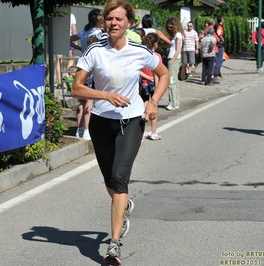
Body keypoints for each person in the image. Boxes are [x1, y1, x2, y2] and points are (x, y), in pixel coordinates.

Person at [71, 0, 169, 264]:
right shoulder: (94, 51)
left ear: (129, 23)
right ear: (104, 22)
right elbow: (76, 88)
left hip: (131, 120)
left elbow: (163, 75)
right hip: (101, 122)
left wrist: (153, 101)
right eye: (109, 19)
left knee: (119, 178)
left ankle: (113, 245)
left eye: (119, 19)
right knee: (110, 183)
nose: (114, 23)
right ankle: (123, 207)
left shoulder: (139, 51)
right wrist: (105, 95)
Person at [70, 9, 104, 140]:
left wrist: (80, 48)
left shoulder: (83, 32)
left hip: (81, 63)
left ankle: (79, 129)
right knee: (89, 99)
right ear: (99, 21)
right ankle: (87, 130)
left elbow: (69, 40)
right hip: (92, 66)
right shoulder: (98, 33)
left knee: (81, 100)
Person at [140, 33, 163, 140]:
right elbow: (157, 74)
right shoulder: (157, 56)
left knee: (144, 103)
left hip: (143, 82)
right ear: (156, 44)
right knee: (154, 106)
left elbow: (139, 70)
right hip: (153, 82)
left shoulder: (142, 54)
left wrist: (146, 78)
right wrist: (158, 87)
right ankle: (153, 132)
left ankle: (143, 131)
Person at [165, 16, 184, 111]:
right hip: (174, 59)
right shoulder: (176, 35)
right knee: (174, 82)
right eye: (168, 27)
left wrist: (172, 60)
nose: (169, 29)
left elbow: (178, 49)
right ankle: (175, 102)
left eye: (171, 27)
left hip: (173, 60)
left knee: (171, 81)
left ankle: (172, 103)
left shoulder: (178, 35)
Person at [56, 13, 77, 86]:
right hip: (69, 39)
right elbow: (74, 30)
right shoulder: (71, 16)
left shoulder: (57, 14)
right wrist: (76, 42)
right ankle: (68, 76)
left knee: (59, 61)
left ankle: (59, 82)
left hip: (59, 39)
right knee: (71, 58)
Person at [214, 16, 225, 80]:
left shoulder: (216, 25)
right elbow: (219, 33)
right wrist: (222, 40)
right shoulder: (219, 26)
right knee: (219, 59)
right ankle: (216, 73)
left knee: (218, 59)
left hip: (217, 44)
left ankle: (217, 73)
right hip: (220, 44)